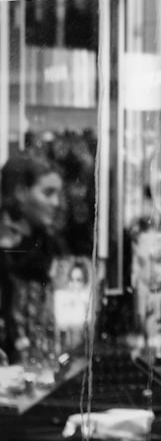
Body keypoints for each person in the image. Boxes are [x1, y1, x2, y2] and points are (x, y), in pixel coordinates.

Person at [0, 153, 65, 365]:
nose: (56, 203)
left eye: (58, 194)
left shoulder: (53, 246)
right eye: (48, 193)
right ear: (20, 193)